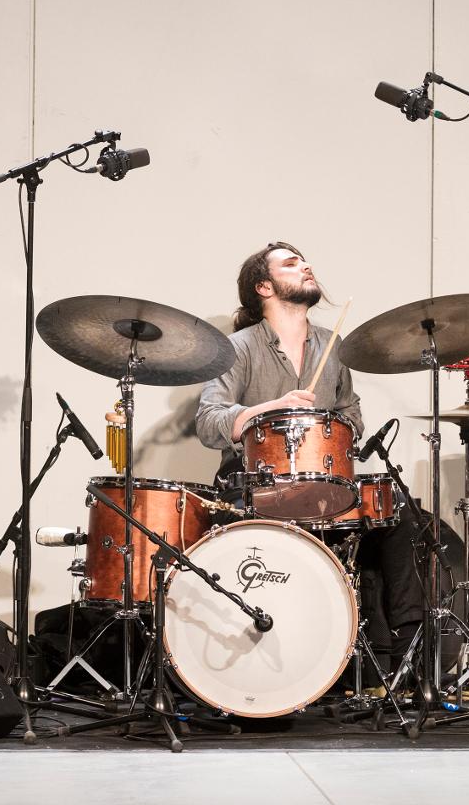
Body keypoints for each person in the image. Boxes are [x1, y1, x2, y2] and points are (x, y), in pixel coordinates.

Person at [196, 242, 424, 679]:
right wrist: (271, 409)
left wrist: (334, 428)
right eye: (290, 263)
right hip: (252, 486)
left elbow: (352, 413)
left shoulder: (333, 345)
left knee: (399, 514)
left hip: (325, 486)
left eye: (304, 260)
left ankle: (407, 661)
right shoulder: (239, 348)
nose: (305, 266)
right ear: (263, 286)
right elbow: (208, 421)